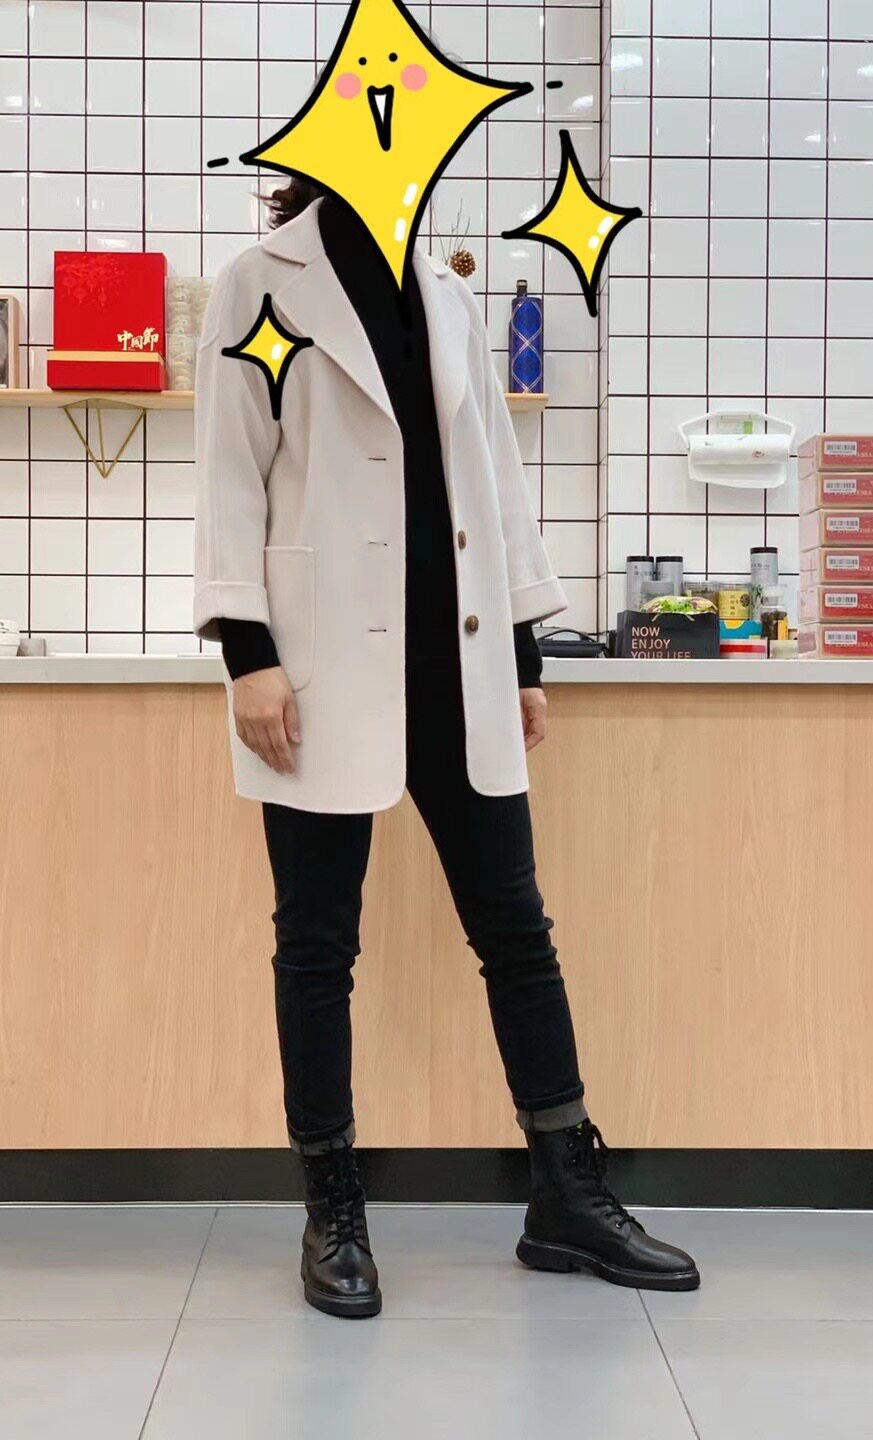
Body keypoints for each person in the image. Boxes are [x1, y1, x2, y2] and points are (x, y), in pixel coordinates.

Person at [193, 178, 699, 1318]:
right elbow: (228, 471)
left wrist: (521, 654)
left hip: (458, 669)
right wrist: (246, 652)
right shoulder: (257, 284)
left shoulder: (448, 293)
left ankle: (565, 1193)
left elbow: (492, 482)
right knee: (316, 945)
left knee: (516, 929)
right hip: (319, 673)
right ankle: (333, 1212)